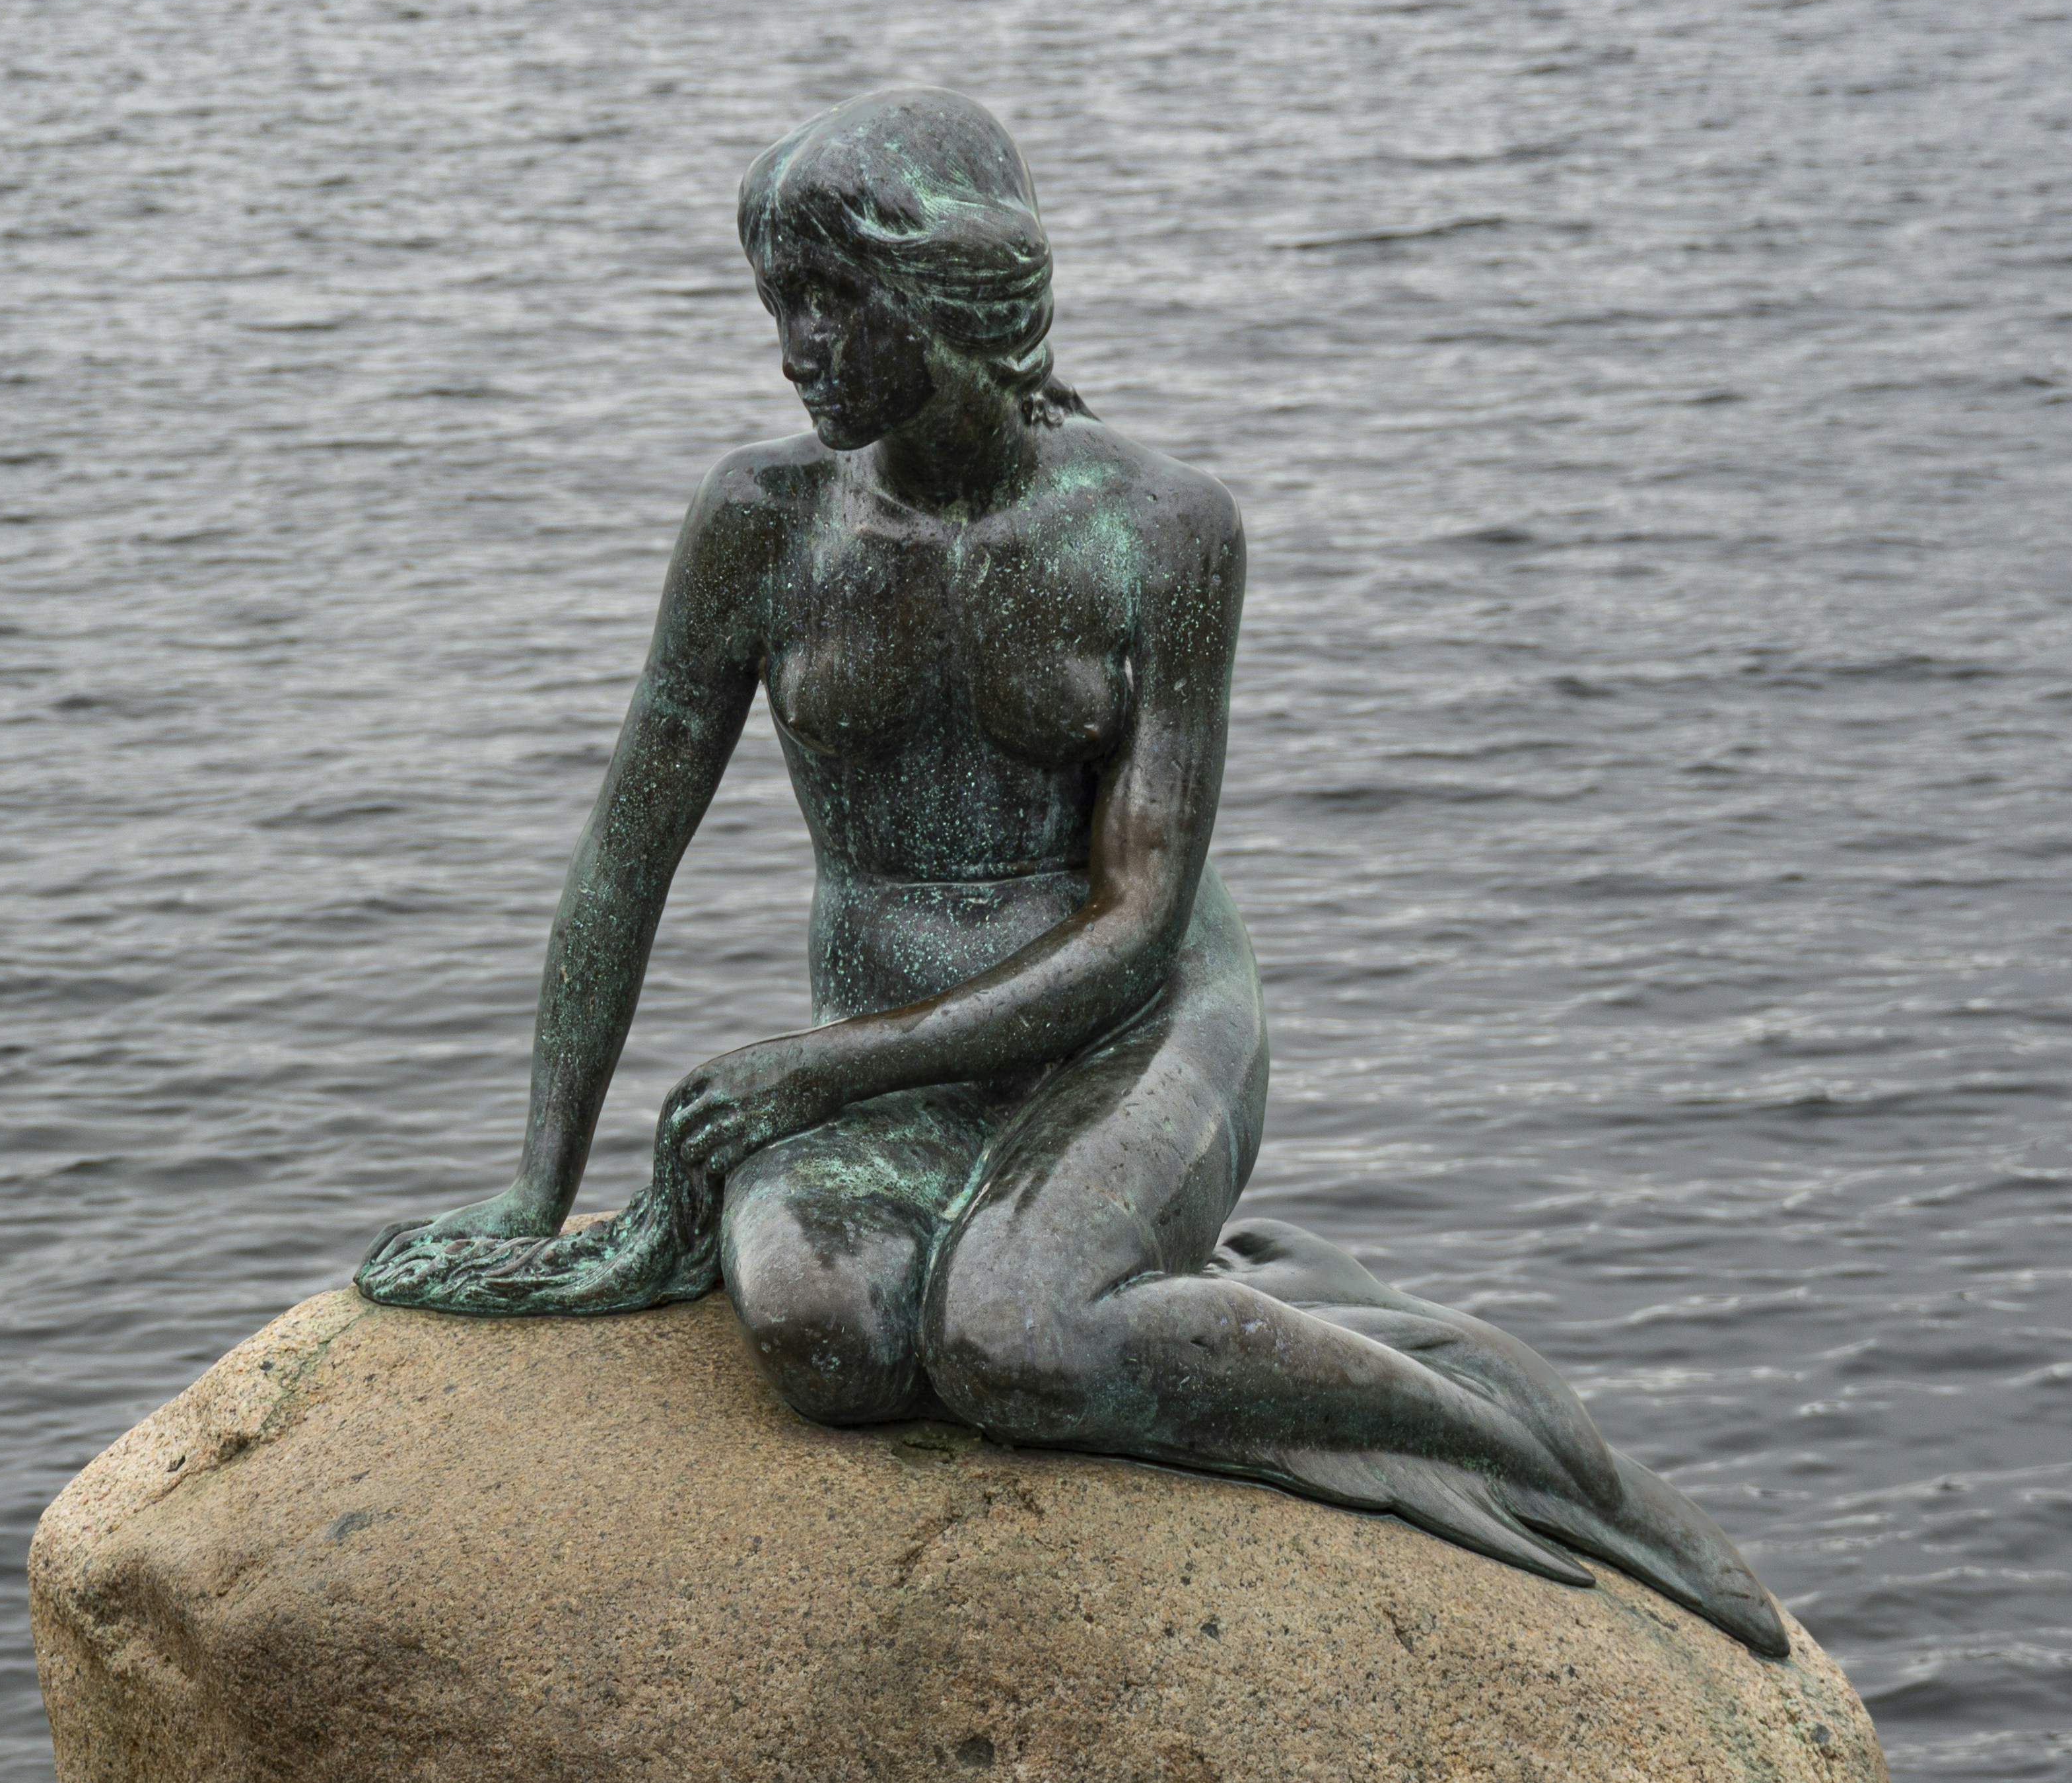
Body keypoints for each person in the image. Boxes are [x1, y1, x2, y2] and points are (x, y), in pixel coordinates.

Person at [359, 86, 1786, 1658]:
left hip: (1136, 1026)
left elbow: (1140, 919)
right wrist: (539, 1184)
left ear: (950, 289)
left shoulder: (1163, 528)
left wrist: (813, 1072)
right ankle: (1188, 1295)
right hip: (893, 1064)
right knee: (832, 1345)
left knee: (1016, 1336)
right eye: (777, 303)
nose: (791, 348)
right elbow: (624, 855)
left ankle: (1518, 1444)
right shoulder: (759, 522)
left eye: (829, 299)